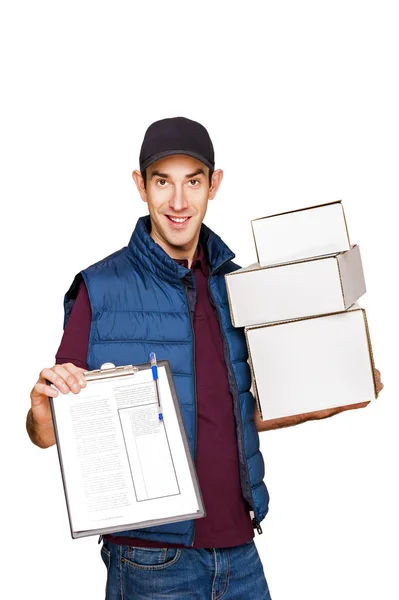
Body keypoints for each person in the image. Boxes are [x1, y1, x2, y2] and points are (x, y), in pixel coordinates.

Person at [26, 116, 384, 600]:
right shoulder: (100, 288)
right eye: (162, 182)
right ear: (140, 186)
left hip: (240, 548)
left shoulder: (237, 286)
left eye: (192, 181)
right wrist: (41, 414)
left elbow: (238, 413)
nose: (178, 201)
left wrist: (329, 400)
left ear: (214, 185)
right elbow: (48, 431)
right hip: (150, 559)